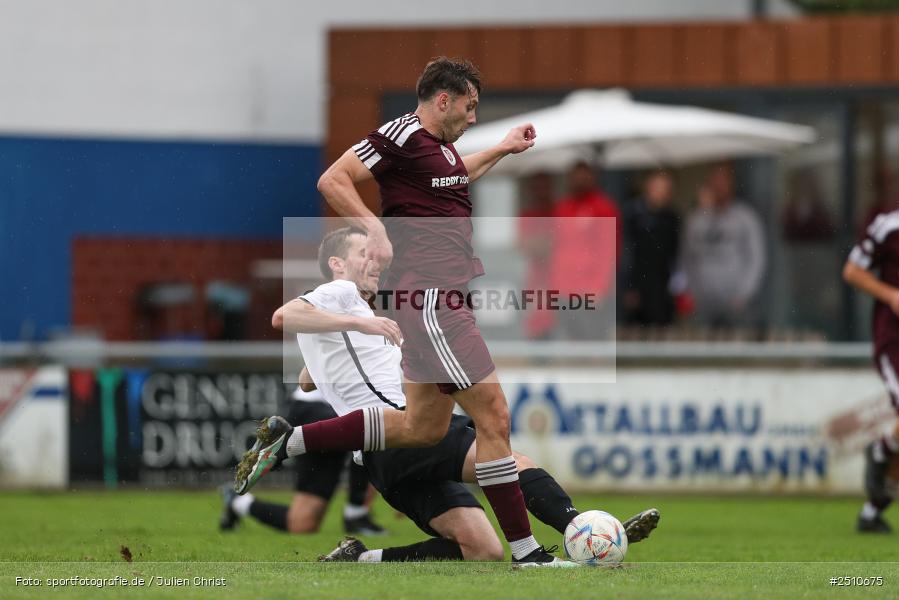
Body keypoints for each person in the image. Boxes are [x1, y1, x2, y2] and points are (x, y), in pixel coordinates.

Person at [237, 57, 569, 566]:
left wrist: (503, 149)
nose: (474, 117)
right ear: (443, 100)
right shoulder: (403, 133)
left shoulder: (442, 153)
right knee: (494, 416)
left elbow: (459, 175)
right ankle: (528, 554)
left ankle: (292, 441)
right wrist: (374, 228)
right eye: (470, 106)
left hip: (443, 298)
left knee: (421, 428)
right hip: (432, 299)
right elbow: (334, 179)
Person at [274, 226, 660, 562]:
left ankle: (361, 557)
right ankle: (580, 529)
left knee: (481, 548)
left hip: (383, 460)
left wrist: (333, 351)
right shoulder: (338, 291)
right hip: (402, 429)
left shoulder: (355, 315)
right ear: (338, 264)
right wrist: (360, 323)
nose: (376, 260)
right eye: (364, 253)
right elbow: (283, 316)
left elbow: (309, 380)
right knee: (508, 459)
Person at [219, 384, 386, 536]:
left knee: (303, 523)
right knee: (373, 429)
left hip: (321, 408)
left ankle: (238, 502)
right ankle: (356, 513)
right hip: (317, 409)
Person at [843, 207, 899, 533]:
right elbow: (852, 271)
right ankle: (880, 450)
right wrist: (891, 294)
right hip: (894, 340)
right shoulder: (889, 227)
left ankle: (871, 512)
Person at [681, 162, 765, 328]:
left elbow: (756, 258)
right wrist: (691, 291)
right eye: (715, 181)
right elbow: (687, 258)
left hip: (736, 301)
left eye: (723, 181)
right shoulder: (696, 219)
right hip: (703, 301)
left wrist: (744, 294)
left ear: (731, 184)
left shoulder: (745, 217)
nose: (719, 186)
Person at [550, 162, 620, 340]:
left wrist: (599, 287)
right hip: (564, 288)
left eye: (583, 176)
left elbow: (609, 251)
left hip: (590, 289)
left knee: (593, 340)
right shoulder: (563, 207)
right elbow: (556, 248)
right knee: (571, 340)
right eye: (575, 177)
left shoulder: (603, 207)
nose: (578, 181)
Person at [622, 170, 680, 327]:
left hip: (662, 288)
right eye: (658, 187)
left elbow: (675, 255)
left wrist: (676, 287)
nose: (661, 193)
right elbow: (627, 253)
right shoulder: (632, 215)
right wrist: (629, 286)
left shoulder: (672, 218)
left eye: (665, 189)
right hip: (637, 287)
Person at [517, 171, 557, 340]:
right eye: (538, 188)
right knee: (536, 315)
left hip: (556, 273)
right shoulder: (527, 215)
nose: (541, 192)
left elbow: (558, 242)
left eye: (545, 187)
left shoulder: (558, 212)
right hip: (533, 274)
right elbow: (526, 245)